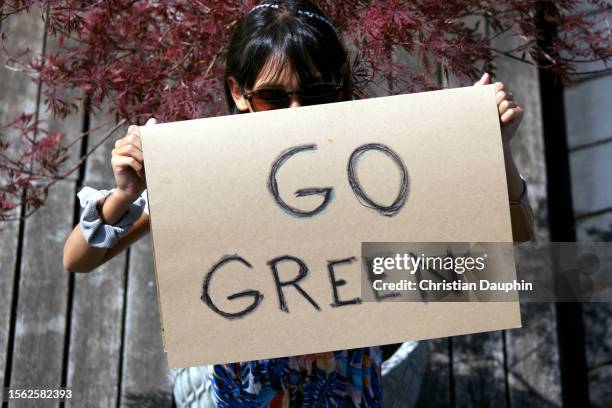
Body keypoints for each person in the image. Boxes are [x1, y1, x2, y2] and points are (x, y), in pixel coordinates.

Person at [63, 1, 535, 406]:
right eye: (273, 98)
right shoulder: (202, 168)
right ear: (238, 94)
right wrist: (125, 193)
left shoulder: (381, 159)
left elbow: (511, 240)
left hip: (345, 381)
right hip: (248, 384)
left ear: (341, 85)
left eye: (316, 93)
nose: (297, 113)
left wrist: (496, 154)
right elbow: (78, 259)